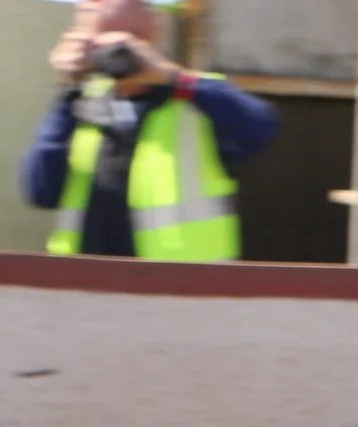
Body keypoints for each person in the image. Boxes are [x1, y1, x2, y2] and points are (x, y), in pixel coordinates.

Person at [19, 0, 276, 261]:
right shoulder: (82, 103)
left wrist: (173, 78)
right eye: (102, 43)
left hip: (181, 277)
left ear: (154, 35)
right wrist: (68, 87)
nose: (117, 55)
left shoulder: (195, 99)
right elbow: (41, 191)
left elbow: (259, 129)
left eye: (130, 41)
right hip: (88, 274)